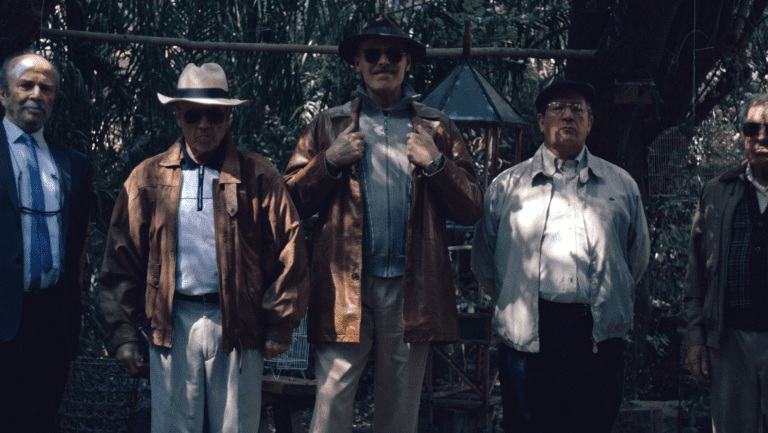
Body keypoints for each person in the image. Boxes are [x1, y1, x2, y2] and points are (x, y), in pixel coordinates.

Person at [283, 13, 483, 433]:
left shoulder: (436, 127)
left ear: (408, 61)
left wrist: (438, 164)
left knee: (399, 411)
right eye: (372, 53)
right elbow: (289, 201)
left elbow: (472, 207)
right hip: (343, 287)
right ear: (357, 62)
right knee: (332, 401)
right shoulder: (329, 125)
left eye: (394, 53)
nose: (383, 61)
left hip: (412, 287)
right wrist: (329, 162)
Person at [97, 62, 309, 433]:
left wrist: (280, 323)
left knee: (237, 427)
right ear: (178, 116)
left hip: (238, 324)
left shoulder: (258, 176)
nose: (204, 125)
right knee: (174, 427)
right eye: (193, 114)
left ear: (228, 116)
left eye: (214, 115)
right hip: (172, 321)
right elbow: (121, 255)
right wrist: (124, 333)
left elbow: (289, 247)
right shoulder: (147, 178)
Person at [471, 80, 650, 432]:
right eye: (558, 108)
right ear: (540, 121)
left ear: (590, 123)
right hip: (529, 334)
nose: (568, 114)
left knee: (591, 424)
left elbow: (635, 258)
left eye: (578, 108)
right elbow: (486, 259)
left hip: (596, 334)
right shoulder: (507, 187)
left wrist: (607, 306)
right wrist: (510, 305)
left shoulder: (621, 184)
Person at [0, 52, 92, 432]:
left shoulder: (74, 165)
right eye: (26, 85)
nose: (36, 94)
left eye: (46, 88)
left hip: (51, 325)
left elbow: (78, 247)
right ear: (4, 94)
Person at [680, 94, 768, 432]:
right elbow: (695, 277)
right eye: (752, 127)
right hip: (730, 341)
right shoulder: (717, 192)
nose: (762, 135)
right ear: (743, 136)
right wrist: (695, 339)